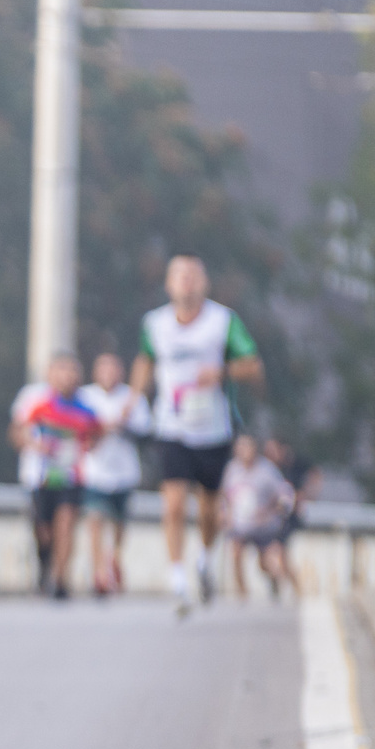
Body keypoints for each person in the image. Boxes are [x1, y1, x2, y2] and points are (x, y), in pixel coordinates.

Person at [131, 254, 264, 619]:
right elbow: (145, 360)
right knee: (173, 503)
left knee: (208, 508)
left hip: (213, 427)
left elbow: (252, 364)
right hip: (171, 425)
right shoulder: (154, 323)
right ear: (168, 284)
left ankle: (204, 559)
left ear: (204, 283)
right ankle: (177, 577)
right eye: (180, 276)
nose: (187, 282)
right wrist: (133, 398)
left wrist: (221, 371)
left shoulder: (223, 321)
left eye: (193, 276)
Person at [8, 351, 100, 601]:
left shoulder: (87, 404)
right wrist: (34, 445)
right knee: (44, 530)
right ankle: (45, 564)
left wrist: (89, 445)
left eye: (72, 371)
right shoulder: (35, 400)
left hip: (72, 476)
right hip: (41, 476)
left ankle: (61, 580)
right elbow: (17, 432)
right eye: (62, 370)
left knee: (66, 524)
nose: (67, 377)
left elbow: (96, 433)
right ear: (50, 373)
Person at [78, 350, 149, 598]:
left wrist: (125, 422)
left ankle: (114, 558)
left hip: (125, 472)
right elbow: (80, 429)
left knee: (119, 524)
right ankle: (99, 573)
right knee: (95, 520)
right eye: (103, 368)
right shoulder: (85, 396)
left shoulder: (133, 398)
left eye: (113, 368)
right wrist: (102, 427)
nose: (108, 373)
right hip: (94, 471)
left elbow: (144, 431)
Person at [219, 432, 295, 601]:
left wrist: (272, 511)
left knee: (266, 563)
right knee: (236, 552)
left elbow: (285, 495)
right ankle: (242, 593)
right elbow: (225, 495)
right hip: (241, 524)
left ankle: (277, 581)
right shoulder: (232, 469)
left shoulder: (267, 470)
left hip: (264, 526)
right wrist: (225, 514)